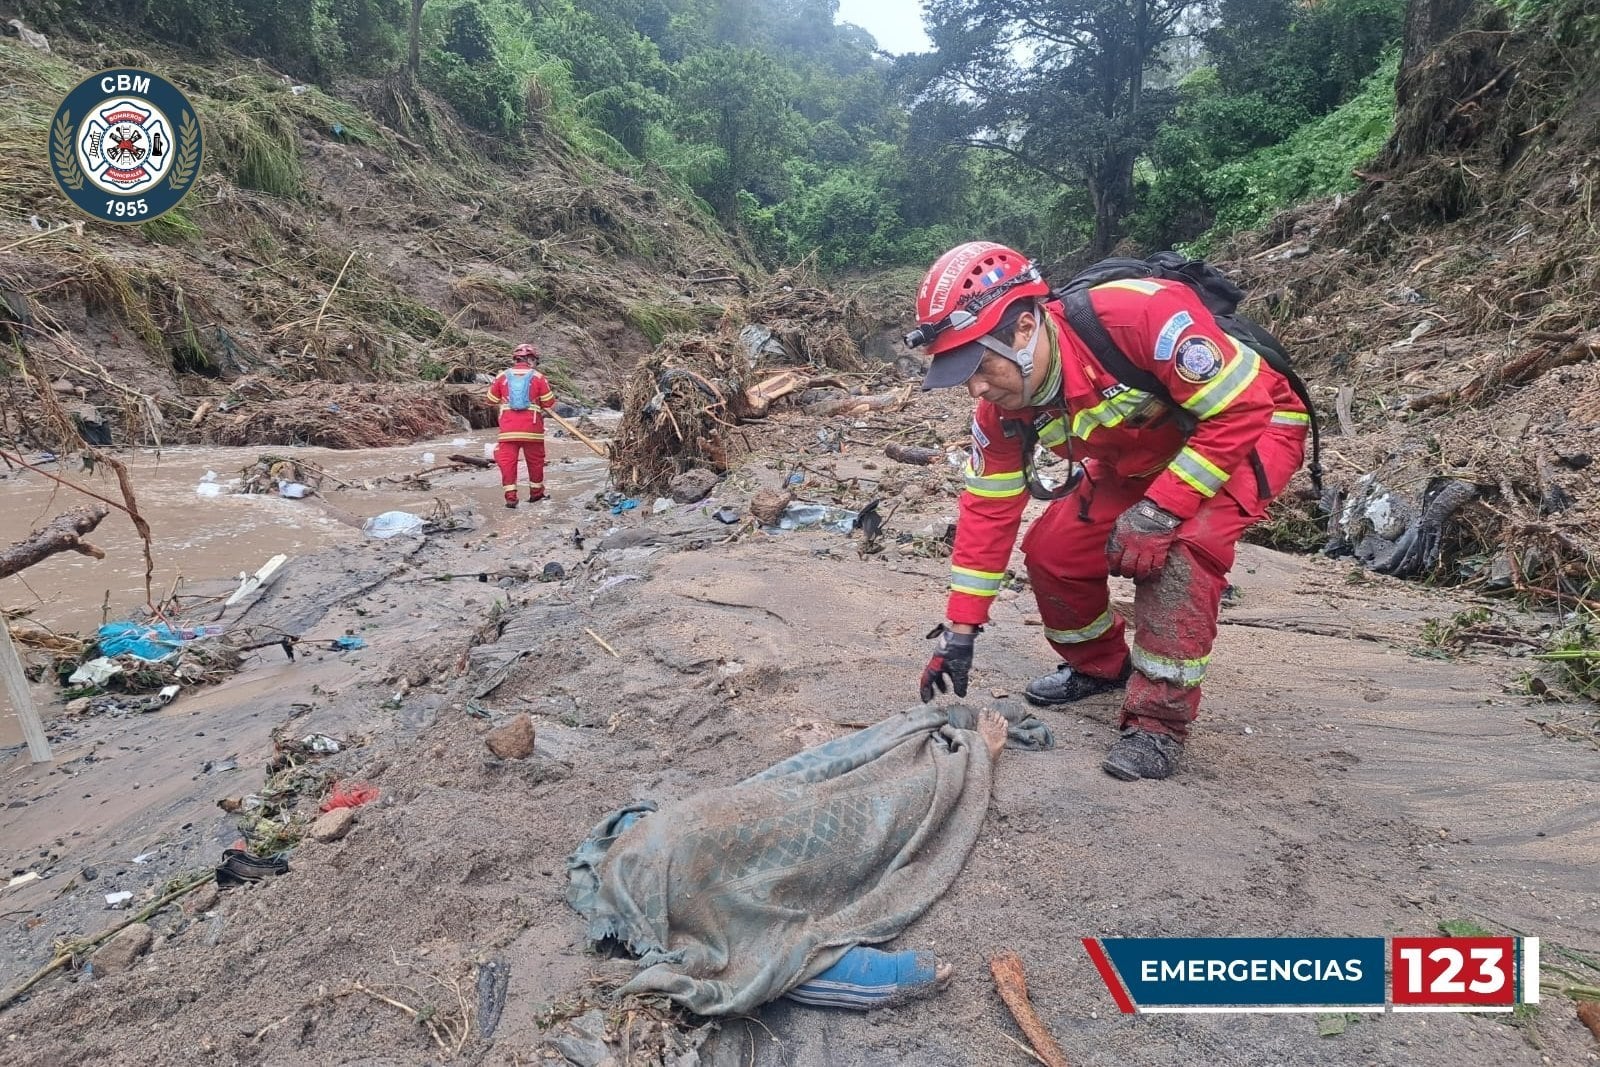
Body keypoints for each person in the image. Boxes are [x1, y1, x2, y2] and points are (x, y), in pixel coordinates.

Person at [911, 242, 1309, 781]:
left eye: (980, 366)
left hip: (1246, 430)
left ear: (1024, 329)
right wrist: (960, 631)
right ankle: (1100, 667)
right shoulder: (1000, 410)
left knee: (1182, 549)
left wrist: (1162, 511)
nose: (976, 387)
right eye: (962, 374)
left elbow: (1241, 409)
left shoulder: (1137, 315)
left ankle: (1158, 723)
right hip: (1141, 453)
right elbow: (987, 511)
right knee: (1054, 553)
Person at [487, 343, 556, 509]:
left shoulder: (502, 377)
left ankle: (511, 498)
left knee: (507, 464)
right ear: (530, 359)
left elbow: (490, 400)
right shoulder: (538, 378)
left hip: (508, 431)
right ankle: (536, 495)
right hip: (533, 431)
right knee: (535, 463)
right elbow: (549, 402)